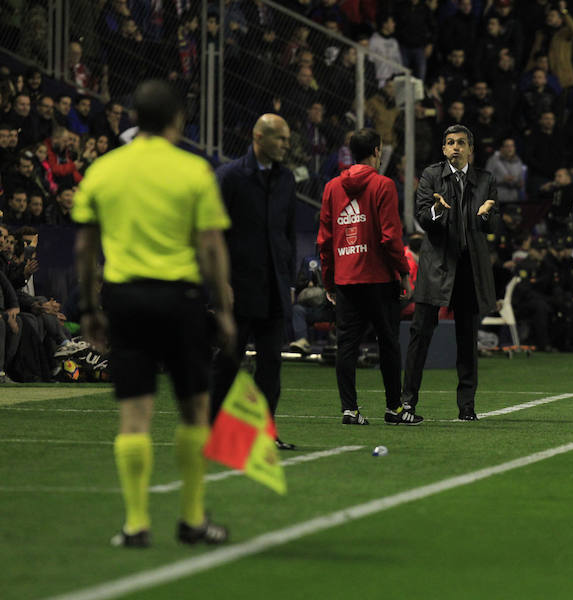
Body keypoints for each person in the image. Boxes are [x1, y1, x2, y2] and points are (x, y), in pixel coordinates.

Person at [72, 79, 236, 548]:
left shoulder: (104, 170)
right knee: (193, 410)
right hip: (180, 300)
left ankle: (136, 524)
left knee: (134, 415)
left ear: (133, 119)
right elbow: (210, 245)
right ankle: (191, 520)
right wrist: (222, 310)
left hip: (124, 299)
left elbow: (85, 245)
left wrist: (87, 306)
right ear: (177, 120)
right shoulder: (193, 170)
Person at [209, 114, 297, 451]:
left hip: (274, 287)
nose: (286, 146)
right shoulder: (230, 177)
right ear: (258, 137)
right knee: (228, 361)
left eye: (287, 140)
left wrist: (288, 280)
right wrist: (222, 282)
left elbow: (287, 233)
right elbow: (213, 233)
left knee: (271, 365)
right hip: (238, 287)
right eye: (281, 139)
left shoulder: (286, 179)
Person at [317, 128, 416, 426]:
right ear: (377, 150)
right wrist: (403, 273)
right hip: (378, 278)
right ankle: (394, 409)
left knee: (346, 346)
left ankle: (350, 410)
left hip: (346, 279)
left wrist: (328, 280)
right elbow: (390, 237)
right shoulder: (384, 185)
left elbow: (325, 239)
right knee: (388, 343)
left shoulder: (332, 187)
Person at [401, 124, 498, 421]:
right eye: (450, 143)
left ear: (470, 149)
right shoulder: (431, 176)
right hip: (437, 265)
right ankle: (407, 403)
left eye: (461, 143)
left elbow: (492, 225)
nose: (455, 147)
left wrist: (485, 217)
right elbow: (422, 217)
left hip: (469, 268)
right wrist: (437, 211)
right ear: (444, 149)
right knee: (420, 335)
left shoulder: (486, 180)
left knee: (467, 339)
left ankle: (467, 406)